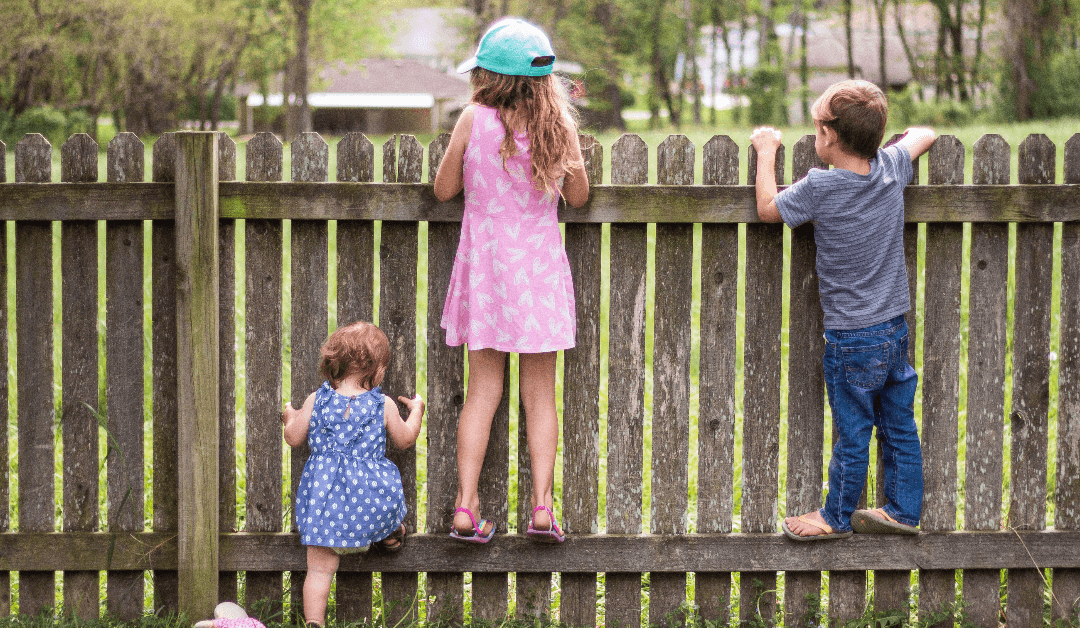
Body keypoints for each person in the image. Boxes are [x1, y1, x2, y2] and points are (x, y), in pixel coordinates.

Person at [749, 79, 937, 540]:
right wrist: (895, 136)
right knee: (898, 425)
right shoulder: (891, 167)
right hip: (894, 329)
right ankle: (904, 511)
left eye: (817, 128)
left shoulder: (822, 187)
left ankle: (834, 518)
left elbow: (769, 209)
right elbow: (925, 134)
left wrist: (766, 149)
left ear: (828, 137)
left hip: (852, 338)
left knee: (854, 432)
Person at [433, 17, 589, 544]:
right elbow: (579, 197)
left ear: (487, 77)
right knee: (540, 396)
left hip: (487, 275)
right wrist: (567, 145)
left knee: (483, 394)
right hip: (539, 275)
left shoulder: (473, 120)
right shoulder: (556, 128)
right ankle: (543, 507)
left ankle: (465, 506)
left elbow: (444, 189)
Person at [282, 321, 425, 624]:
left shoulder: (316, 399)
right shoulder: (381, 404)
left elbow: (294, 437)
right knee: (384, 505)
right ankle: (388, 532)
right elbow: (405, 439)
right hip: (368, 505)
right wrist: (416, 412)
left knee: (319, 572)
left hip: (326, 509)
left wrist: (290, 416)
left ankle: (314, 622)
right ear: (378, 370)